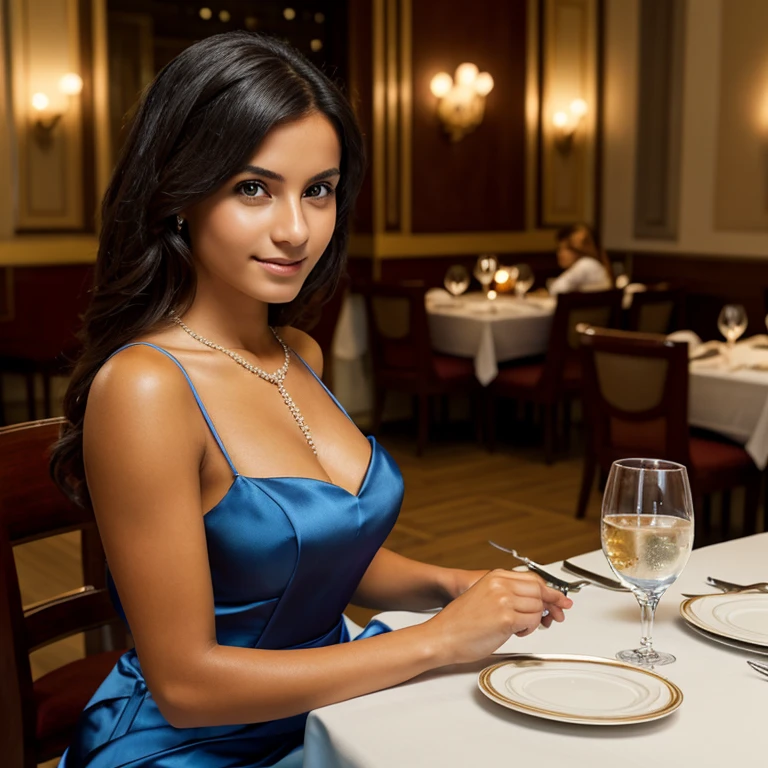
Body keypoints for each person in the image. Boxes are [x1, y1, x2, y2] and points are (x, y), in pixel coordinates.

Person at [50, 32, 572, 768]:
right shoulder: (145, 387)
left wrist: (454, 585)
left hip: (331, 712)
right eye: (253, 188)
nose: (297, 230)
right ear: (179, 196)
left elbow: (316, 556)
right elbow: (186, 686)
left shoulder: (300, 351)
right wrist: (437, 640)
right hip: (192, 749)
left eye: (318, 190)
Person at [548, 222, 613, 295]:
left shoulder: (586, 264)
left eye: (569, 248)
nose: (560, 253)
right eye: (559, 249)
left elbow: (556, 289)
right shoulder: (596, 265)